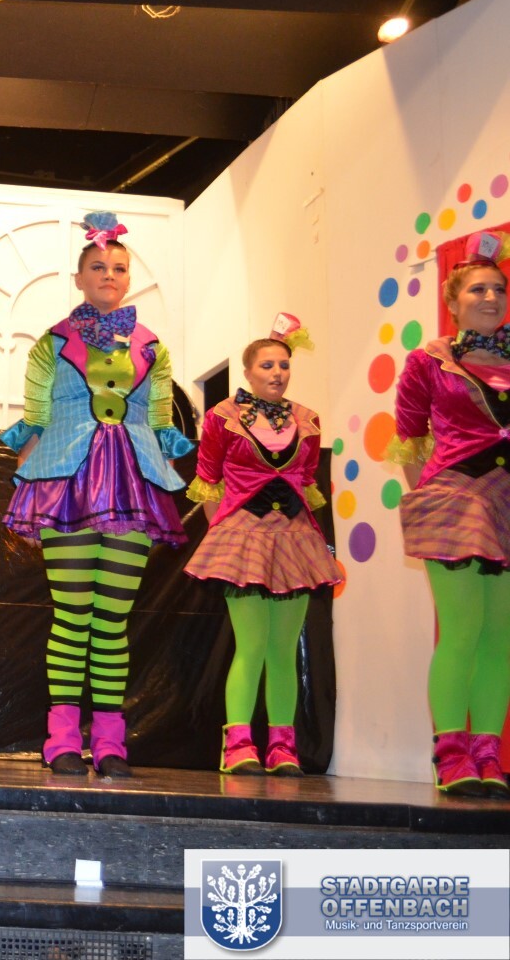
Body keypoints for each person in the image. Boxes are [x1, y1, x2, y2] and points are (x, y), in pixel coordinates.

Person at [0, 211, 194, 777]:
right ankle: (61, 738)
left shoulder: (153, 347)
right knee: (72, 615)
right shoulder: (50, 344)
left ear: (128, 279)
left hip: (133, 485)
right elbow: (35, 420)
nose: (110, 275)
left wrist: (173, 480)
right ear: (79, 277)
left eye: (119, 268)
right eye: (99, 267)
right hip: (67, 483)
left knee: (112, 619)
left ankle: (111, 742)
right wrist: (27, 488)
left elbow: (160, 421)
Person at [184, 314, 340, 775]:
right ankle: (237, 745)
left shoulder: (308, 420)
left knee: (283, 650)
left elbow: (307, 483)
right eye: (267, 365)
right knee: (251, 646)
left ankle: (282, 746)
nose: (277, 373)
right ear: (248, 372)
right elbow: (208, 481)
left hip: (293, 539)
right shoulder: (224, 417)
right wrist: (225, 538)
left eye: (284, 365)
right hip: (243, 537)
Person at [391, 232, 510, 798]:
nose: (490, 297)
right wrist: (432, 498)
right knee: (462, 629)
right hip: (454, 499)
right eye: (478, 289)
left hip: (507, 504)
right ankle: (451, 754)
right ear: (453, 302)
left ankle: (488, 754)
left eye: (499, 289)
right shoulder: (429, 360)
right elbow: (409, 438)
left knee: (500, 637)